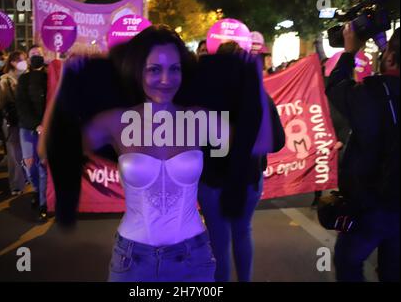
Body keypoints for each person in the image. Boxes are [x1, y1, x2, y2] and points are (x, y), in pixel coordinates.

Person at [45, 25, 266, 282]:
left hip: (192, 257)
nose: (165, 79)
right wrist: (66, 82)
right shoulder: (117, 121)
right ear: (138, 71)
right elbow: (53, 147)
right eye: (154, 70)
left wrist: (252, 81)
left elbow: (256, 141)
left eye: (174, 69)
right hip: (132, 260)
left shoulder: (199, 118)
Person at [197, 41, 285, 282]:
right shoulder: (261, 97)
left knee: (218, 240)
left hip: (213, 182)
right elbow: (277, 142)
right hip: (248, 180)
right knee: (242, 232)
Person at [327, 25, 400, 282]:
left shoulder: (373, 91)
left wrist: (350, 50)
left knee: (348, 260)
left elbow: (336, 85)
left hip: (372, 203)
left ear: (390, 57)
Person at [16, 45, 48, 221]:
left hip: (45, 129)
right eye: (33, 54)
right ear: (28, 59)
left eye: (39, 54)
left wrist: (45, 124)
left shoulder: (50, 77)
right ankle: (36, 190)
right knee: (30, 164)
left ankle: (44, 203)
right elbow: (21, 105)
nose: (36, 56)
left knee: (43, 166)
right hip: (28, 128)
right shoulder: (24, 80)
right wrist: (35, 124)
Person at [0, 51, 28, 196]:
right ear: (12, 62)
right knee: (14, 154)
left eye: (25, 59)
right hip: (13, 121)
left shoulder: (28, 77)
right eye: (22, 60)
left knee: (27, 153)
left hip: (27, 120)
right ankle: (16, 184)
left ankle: (26, 178)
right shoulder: (5, 80)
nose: (25, 62)